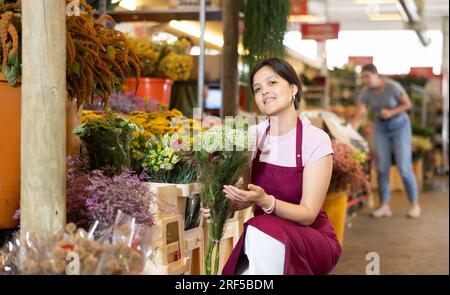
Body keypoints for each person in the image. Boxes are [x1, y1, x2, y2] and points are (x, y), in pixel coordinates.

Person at [201, 57, 341, 275]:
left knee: (259, 229)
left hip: (311, 239)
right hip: (265, 238)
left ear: (293, 88)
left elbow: (308, 214)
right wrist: (222, 206)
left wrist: (266, 202)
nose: (264, 91)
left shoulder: (314, 139)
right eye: (257, 89)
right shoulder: (252, 137)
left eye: (272, 83)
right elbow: (245, 196)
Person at [351, 63, 421, 219]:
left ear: (376, 75)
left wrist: (391, 111)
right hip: (382, 128)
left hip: (400, 127)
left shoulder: (393, 87)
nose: (365, 80)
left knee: (404, 167)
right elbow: (360, 113)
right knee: (382, 167)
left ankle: (414, 205)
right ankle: (384, 206)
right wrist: (348, 132)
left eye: (367, 76)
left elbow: (407, 104)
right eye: (363, 78)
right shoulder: (366, 92)